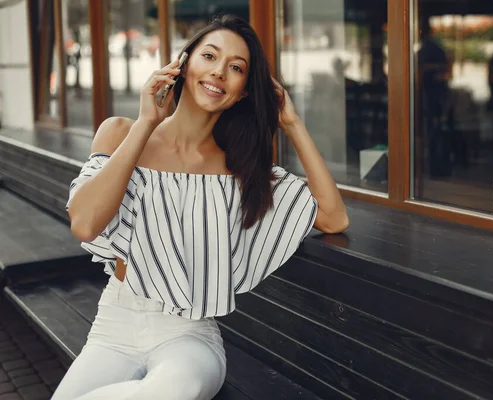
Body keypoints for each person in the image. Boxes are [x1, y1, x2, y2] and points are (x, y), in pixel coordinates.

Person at [52, 14, 349, 400]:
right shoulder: (121, 132)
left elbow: (333, 216)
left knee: (174, 390)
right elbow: (85, 224)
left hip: (189, 336)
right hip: (115, 325)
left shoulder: (238, 169)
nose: (219, 72)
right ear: (184, 63)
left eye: (236, 67)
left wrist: (292, 122)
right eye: (209, 56)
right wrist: (146, 122)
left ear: (244, 90)